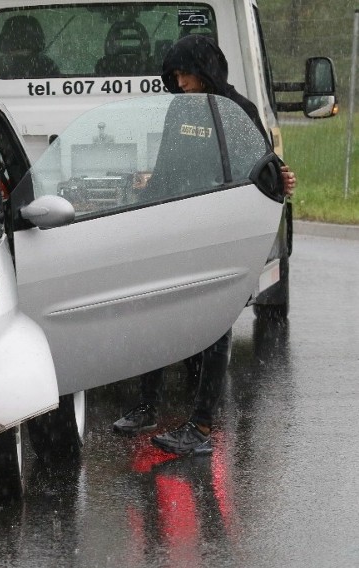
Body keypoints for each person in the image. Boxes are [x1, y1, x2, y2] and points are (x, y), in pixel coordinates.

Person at [112, 33, 296, 455]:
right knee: (159, 314)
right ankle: (147, 405)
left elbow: (265, 164)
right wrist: (142, 210)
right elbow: (167, 166)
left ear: (205, 70)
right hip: (180, 229)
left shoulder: (239, 111)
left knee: (215, 326)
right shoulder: (181, 111)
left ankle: (201, 426)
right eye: (173, 75)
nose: (178, 82)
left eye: (184, 73)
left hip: (223, 232)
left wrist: (282, 178)